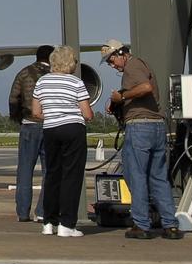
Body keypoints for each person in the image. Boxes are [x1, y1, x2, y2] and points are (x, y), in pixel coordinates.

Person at [103, 38, 183, 240]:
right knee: (158, 177)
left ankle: (141, 224)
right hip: (157, 125)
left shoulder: (132, 66)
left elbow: (145, 87)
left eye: (111, 60)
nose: (112, 66)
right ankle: (170, 225)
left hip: (139, 127)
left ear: (120, 54)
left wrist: (121, 97)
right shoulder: (141, 64)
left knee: (135, 175)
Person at [30, 45, 93, 238]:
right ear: (69, 62)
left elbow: (35, 112)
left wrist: (51, 116)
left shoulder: (41, 82)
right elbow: (87, 113)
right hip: (73, 129)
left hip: (51, 129)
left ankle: (48, 222)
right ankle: (67, 224)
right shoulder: (76, 83)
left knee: (52, 175)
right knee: (71, 177)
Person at [8, 44, 52, 222]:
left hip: (29, 125)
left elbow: (13, 98)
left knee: (25, 170)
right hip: (51, 125)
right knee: (49, 172)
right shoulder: (56, 76)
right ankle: (42, 211)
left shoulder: (24, 73)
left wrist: (17, 117)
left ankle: (23, 212)